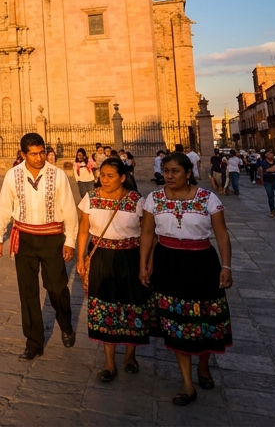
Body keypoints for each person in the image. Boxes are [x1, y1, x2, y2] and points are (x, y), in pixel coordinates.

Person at [139, 152, 233, 406]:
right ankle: (187, 384)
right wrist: (144, 265)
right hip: (168, 262)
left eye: (175, 171)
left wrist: (226, 266)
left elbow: (221, 234)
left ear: (188, 172)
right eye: (166, 171)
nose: (169, 176)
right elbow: (147, 233)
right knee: (177, 322)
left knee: (204, 320)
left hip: (202, 262)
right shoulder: (154, 198)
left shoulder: (207, 198)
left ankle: (203, 365)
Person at [0, 132, 78, 360]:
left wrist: (70, 241)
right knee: (27, 291)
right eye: (33, 154)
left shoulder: (58, 175)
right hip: (25, 239)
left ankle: (66, 324)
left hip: (52, 238)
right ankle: (33, 341)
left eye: (42, 152)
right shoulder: (12, 176)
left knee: (57, 287)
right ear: (23, 154)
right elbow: (4, 206)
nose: (39, 157)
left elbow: (69, 210)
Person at [76, 157, 148, 382]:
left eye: (110, 176)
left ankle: (130, 356)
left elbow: (147, 235)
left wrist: (146, 263)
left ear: (123, 177)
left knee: (131, 305)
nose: (104, 180)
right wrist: (80, 258)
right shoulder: (90, 198)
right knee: (104, 306)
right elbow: (83, 230)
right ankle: (109, 362)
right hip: (101, 257)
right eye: (102, 175)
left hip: (130, 257)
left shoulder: (136, 201)